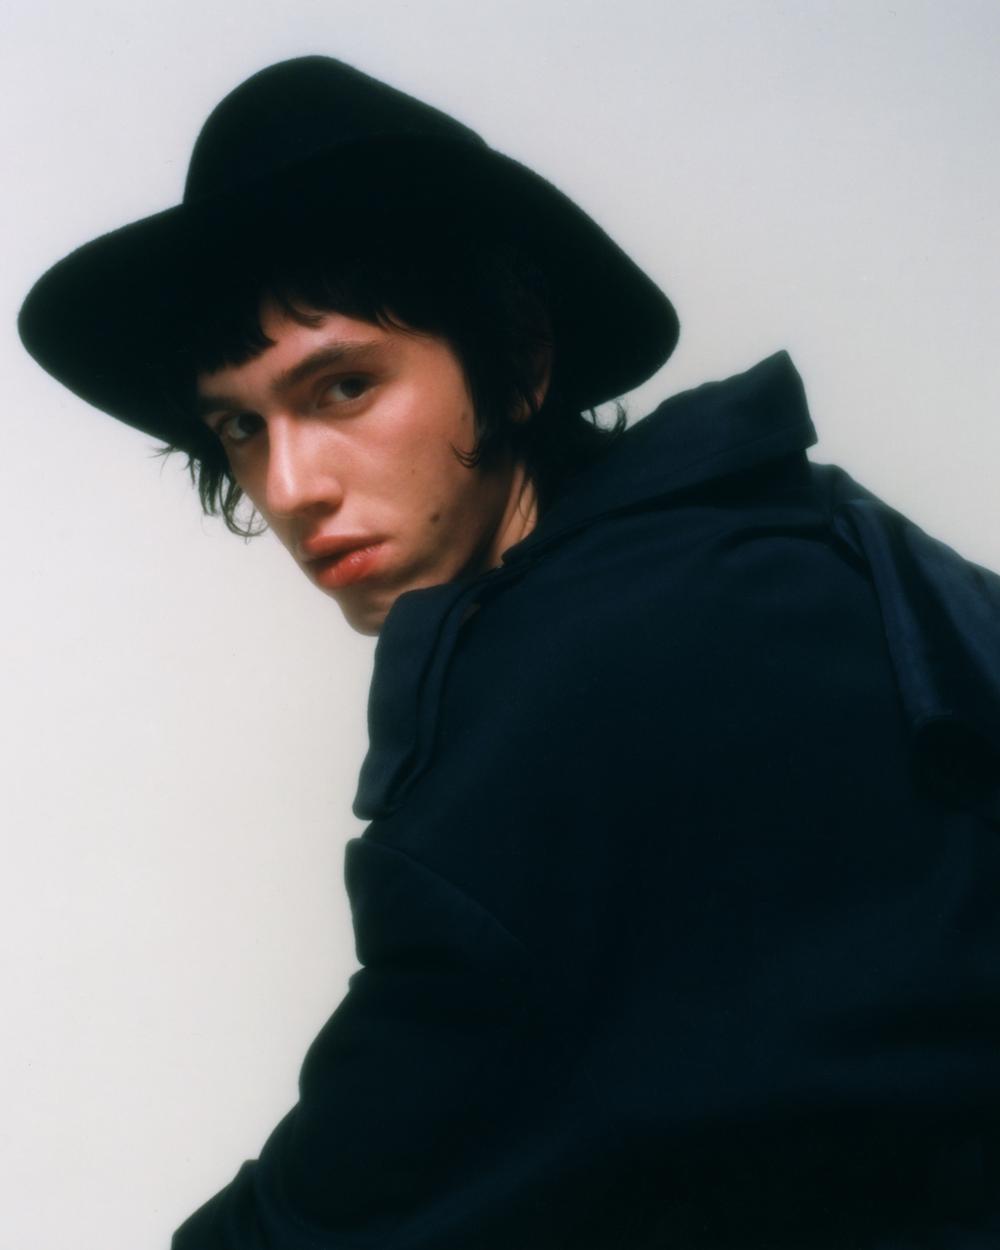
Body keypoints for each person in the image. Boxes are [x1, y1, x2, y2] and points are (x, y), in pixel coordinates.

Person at [18, 55, 1000, 1250]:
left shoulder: (576, 685)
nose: (289, 484)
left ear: (521, 357)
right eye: (239, 424)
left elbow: (346, 1195)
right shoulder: (782, 542)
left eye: (342, 386)